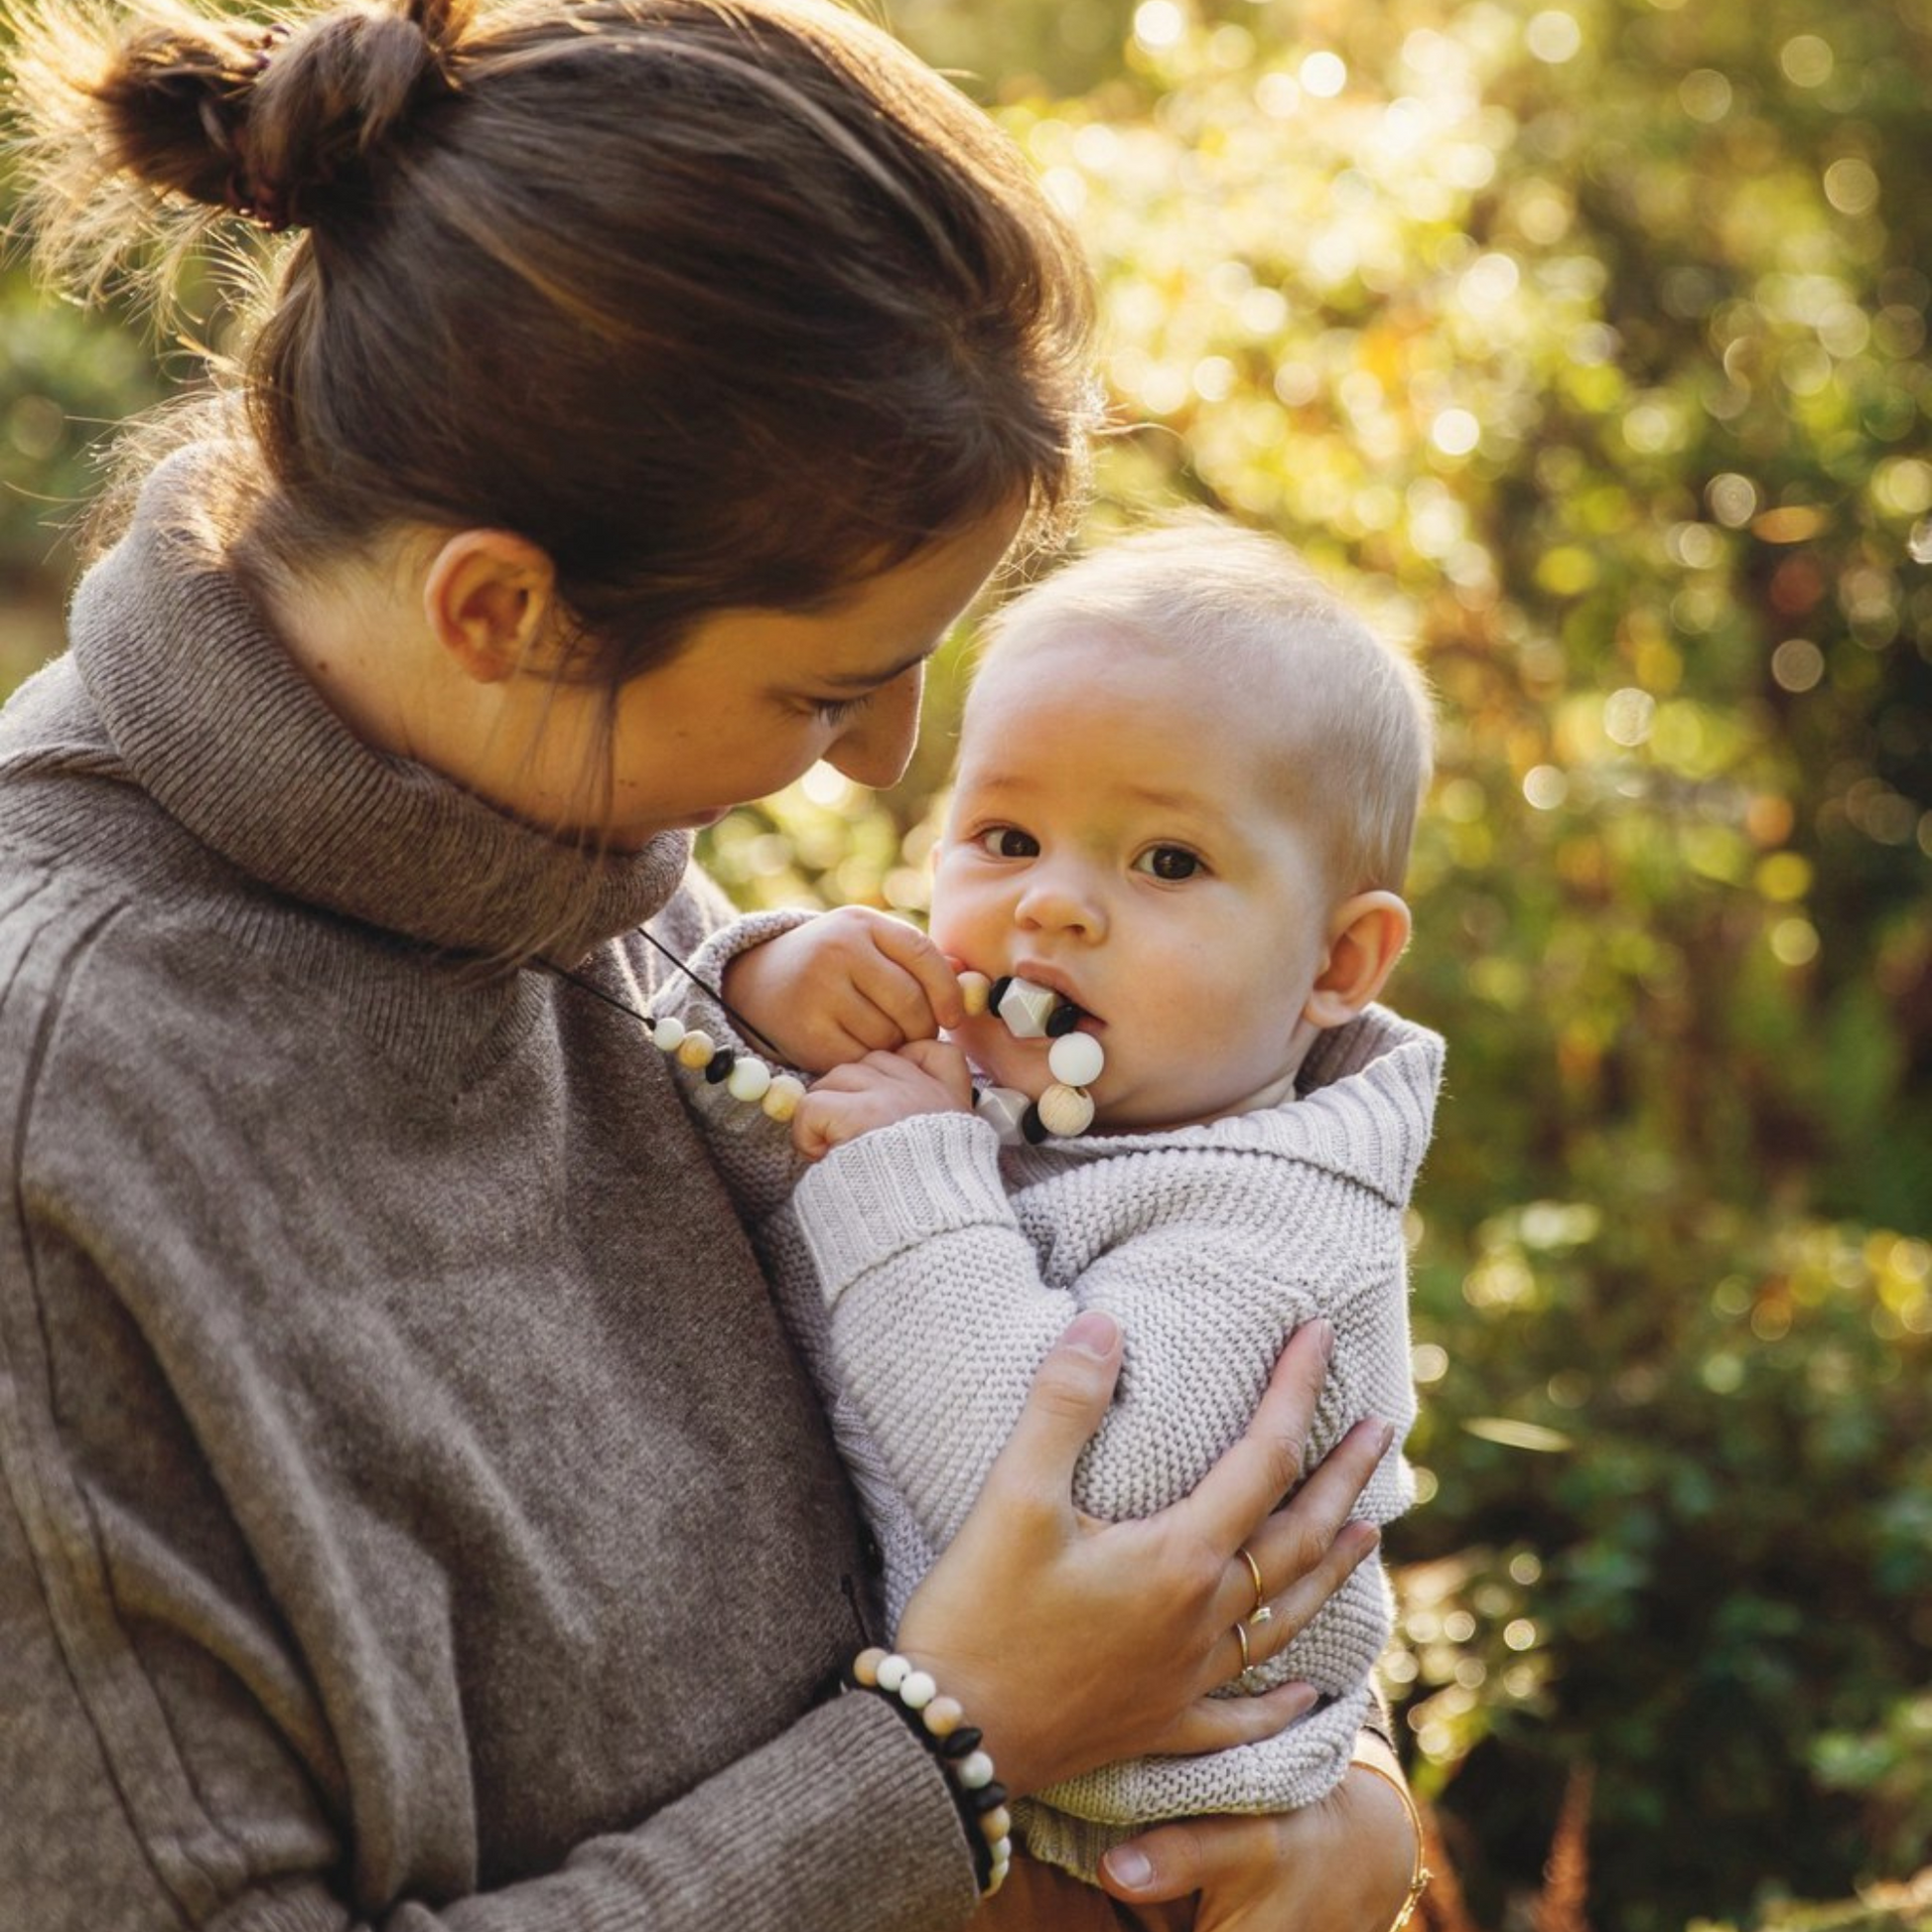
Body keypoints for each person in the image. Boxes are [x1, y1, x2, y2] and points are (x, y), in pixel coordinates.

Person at [0, 0, 1426, 1926]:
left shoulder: (581, 852)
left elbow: (1088, 1442)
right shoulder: (61, 1134)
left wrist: (1332, 1812)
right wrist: (944, 1754)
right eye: (825, 685)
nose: (882, 761)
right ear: (502, 610)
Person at [648, 520, 1442, 1906]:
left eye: (1168, 863)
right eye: (1005, 837)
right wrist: (761, 999)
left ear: (1336, 959)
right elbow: (724, 1198)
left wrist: (903, 1167)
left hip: (1111, 1876)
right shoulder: (1020, 1118)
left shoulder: (1276, 1227)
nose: (1053, 906)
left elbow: (1055, 1513)